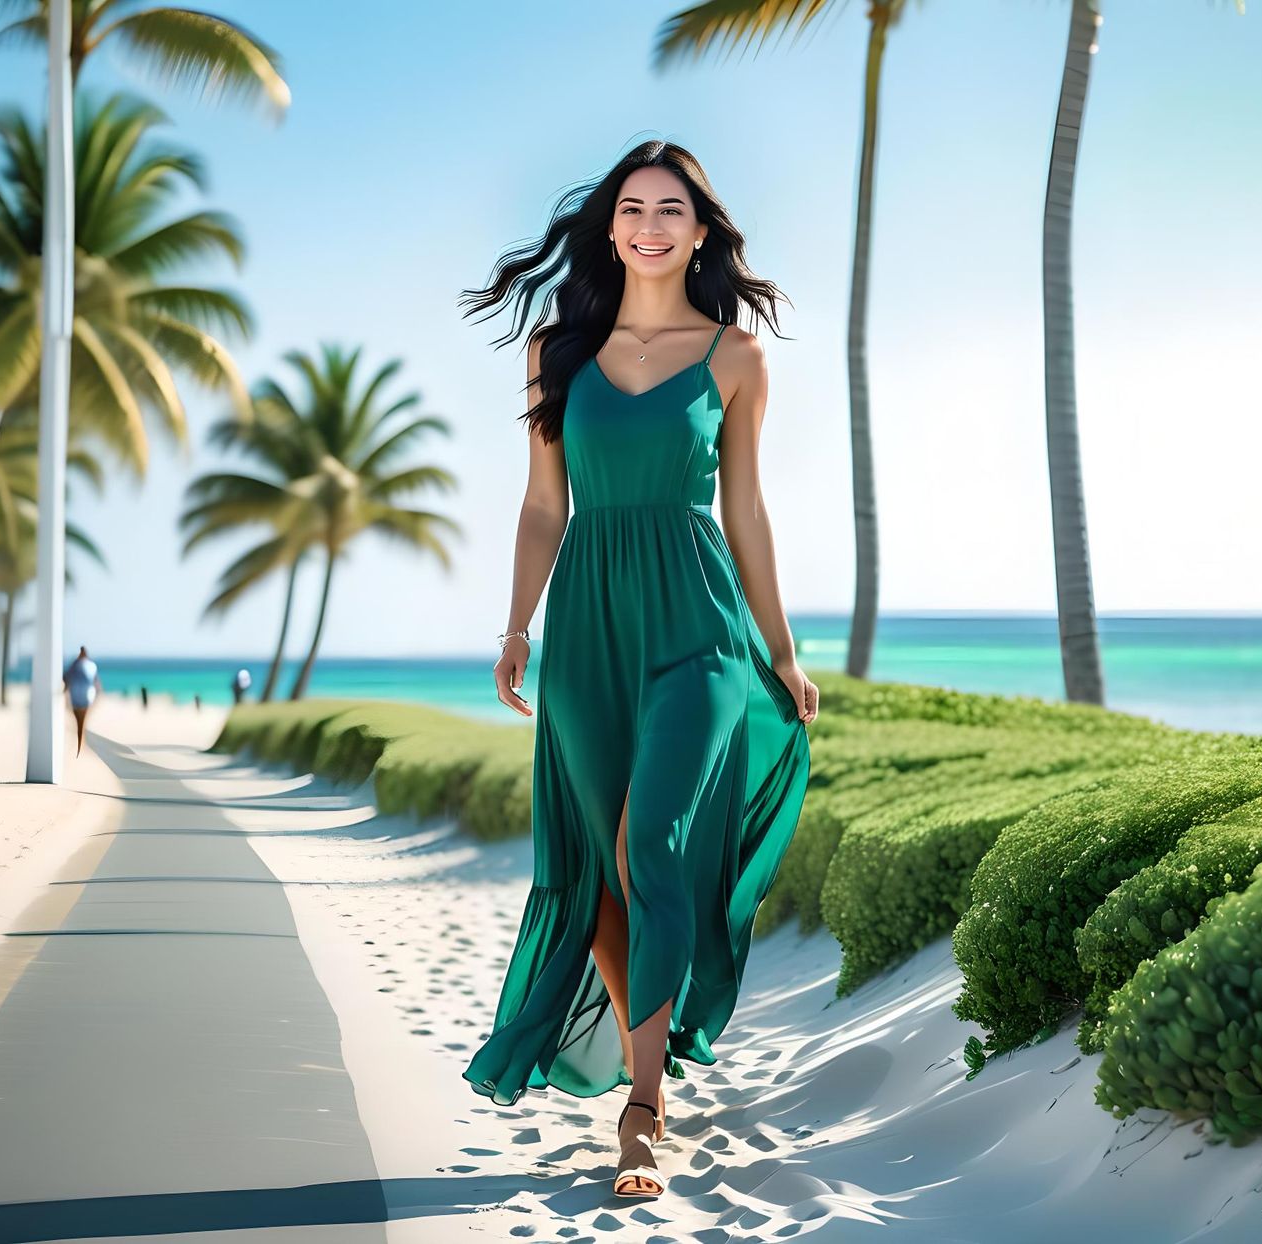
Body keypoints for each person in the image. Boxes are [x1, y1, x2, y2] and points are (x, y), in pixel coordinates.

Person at [464, 141, 819, 1199]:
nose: (651, 224)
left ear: (700, 230)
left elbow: (744, 509)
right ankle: (641, 1059)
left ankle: (643, 1106)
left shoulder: (737, 357)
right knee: (603, 868)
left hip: (698, 624)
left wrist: (783, 648)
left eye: (672, 209)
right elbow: (542, 504)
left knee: (648, 838)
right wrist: (516, 624)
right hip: (585, 626)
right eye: (633, 208)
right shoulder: (555, 352)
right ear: (610, 227)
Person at [61, 646, 102, 756]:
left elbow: (65, 678)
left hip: (77, 697)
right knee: (81, 722)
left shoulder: (75, 665)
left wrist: (64, 692)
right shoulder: (90, 665)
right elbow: (96, 683)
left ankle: (80, 744)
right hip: (85, 697)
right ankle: (81, 744)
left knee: (80, 722)